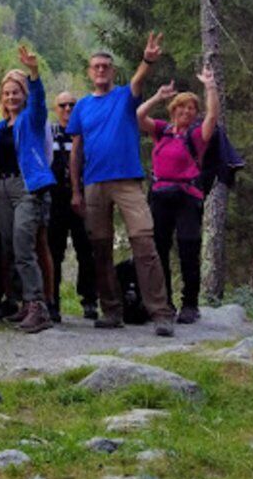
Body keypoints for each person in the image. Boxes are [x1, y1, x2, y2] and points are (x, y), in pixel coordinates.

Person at [68, 33, 176, 336]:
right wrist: (75, 189)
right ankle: (111, 310)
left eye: (106, 66)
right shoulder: (82, 107)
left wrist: (147, 61)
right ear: (89, 72)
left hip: (127, 182)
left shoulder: (124, 97)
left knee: (144, 242)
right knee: (100, 249)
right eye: (96, 67)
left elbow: (139, 80)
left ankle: (161, 313)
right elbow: (76, 150)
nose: (101, 70)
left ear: (113, 71)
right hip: (93, 185)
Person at [136, 66, 219, 323]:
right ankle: (164, 303)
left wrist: (210, 86)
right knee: (159, 250)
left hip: (187, 196)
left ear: (195, 114)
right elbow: (139, 115)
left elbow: (213, 117)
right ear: (173, 110)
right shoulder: (161, 130)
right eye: (181, 107)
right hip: (160, 195)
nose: (186, 111)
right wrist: (158, 97)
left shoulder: (197, 135)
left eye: (191, 109)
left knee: (188, 248)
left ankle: (190, 305)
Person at [0, 47, 54, 333]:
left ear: (24, 94)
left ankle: (39, 306)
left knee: (24, 246)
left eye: (16, 92)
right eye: (6, 93)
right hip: (2, 186)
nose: (11, 97)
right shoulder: (0, 126)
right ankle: (23, 304)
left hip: (28, 186)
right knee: (9, 248)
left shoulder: (32, 118)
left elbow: (40, 100)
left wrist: (34, 72)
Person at [47, 90, 98, 322]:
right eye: (63, 105)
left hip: (83, 198)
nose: (68, 109)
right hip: (55, 200)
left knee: (87, 251)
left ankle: (89, 300)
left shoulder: (88, 133)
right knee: (54, 253)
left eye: (72, 105)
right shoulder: (48, 133)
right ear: (56, 109)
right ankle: (52, 302)